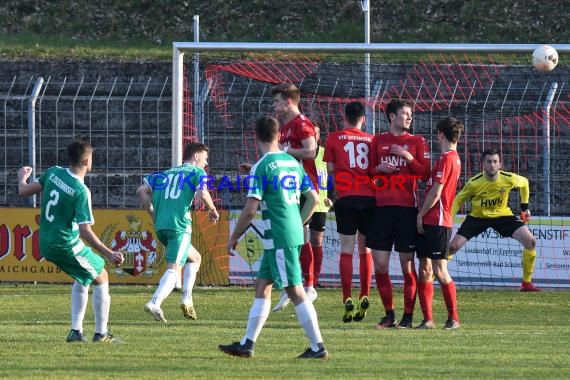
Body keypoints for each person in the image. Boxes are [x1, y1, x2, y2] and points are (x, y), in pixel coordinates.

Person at [219, 115, 328, 359]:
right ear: (279, 135)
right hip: (283, 235)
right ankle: (247, 344)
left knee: (295, 290)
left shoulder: (262, 167)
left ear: (255, 137)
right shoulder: (292, 162)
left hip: (280, 236)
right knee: (262, 286)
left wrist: (233, 238)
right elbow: (313, 198)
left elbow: (249, 211)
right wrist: (297, 222)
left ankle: (318, 347)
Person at [17, 138, 125, 343]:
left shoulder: (53, 172)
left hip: (47, 242)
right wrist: (108, 253)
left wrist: (22, 177)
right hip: (64, 244)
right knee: (101, 275)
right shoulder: (81, 191)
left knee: (83, 275)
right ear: (86, 161)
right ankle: (101, 334)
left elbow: (23, 191)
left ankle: (76, 332)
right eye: (91, 158)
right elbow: (85, 230)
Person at [136, 142, 220, 322]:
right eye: (205, 159)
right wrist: (212, 209)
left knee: (195, 258)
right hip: (179, 226)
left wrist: (152, 212)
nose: (206, 164)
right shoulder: (197, 172)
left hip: (161, 227)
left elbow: (141, 191)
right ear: (196, 156)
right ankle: (155, 302)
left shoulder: (164, 174)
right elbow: (202, 193)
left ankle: (187, 298)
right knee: (174, 269)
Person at [368, 98, 431, 329]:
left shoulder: (416, 141)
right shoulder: (378, 140)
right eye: (405, 113)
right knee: (381, 265)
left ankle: (407, 317)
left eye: (411, 114)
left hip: (406, 209)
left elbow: (425, 174)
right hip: (381, 209)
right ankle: (389, 315)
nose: (409, 118)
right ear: (392, 116)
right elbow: (369, 173)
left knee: (407, 266)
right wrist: (379, 169)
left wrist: (408, 157)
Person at [449, 148, 540, 292]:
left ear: (500, 164)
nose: (492, 165)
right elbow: (458, 200)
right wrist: (449, 219)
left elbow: (525, 183)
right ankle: (431, 279)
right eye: (489, 162)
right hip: (477, 217)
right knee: (452, 247)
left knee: (531, 242)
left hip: (502, 216)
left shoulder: (508, 178)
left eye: (495, 162)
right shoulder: (474, 183)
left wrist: (524, 208)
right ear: (483, 165)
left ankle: (526, 284)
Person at [323, 101, 375, 323]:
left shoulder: (334, 138)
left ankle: (347, 297)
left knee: (346, 249)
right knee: (366, 250)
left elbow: (330, 172)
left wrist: (331, 193)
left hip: (346, 197)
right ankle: (365, 293)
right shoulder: (372, 140)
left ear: (344, 117)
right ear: (363, 118)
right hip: (370, 198)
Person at [270, 83, 320, 312]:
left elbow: (312, 151)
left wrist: (286, 151)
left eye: (277, 100)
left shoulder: (302, 124)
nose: (274, 105)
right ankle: (294, 286)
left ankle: (307, 287)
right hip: (289, 188)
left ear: (289, 101)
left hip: (303, 189)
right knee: (294, 239)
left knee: (300, 237)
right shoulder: (285, 126)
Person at [415, 117, 463, 330]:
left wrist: (420, 214)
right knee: (424, 269)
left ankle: (454, 318)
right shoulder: (449, 158)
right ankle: (428, 320)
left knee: (440, 270)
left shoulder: (447, 159)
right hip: (431, 220)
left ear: (440, 134)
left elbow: (436, 192)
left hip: (438, 220)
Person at [310, 124, 333, 288]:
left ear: (318, 136)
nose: (313, 136)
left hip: (320, 205)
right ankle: (304, 279)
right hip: (302, 203)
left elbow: (333, 176)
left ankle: (315, 279)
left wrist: (332, 197)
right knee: (301, 242)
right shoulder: (299, 153)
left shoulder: (325, 153)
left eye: (315, 133)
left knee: (316, 242)